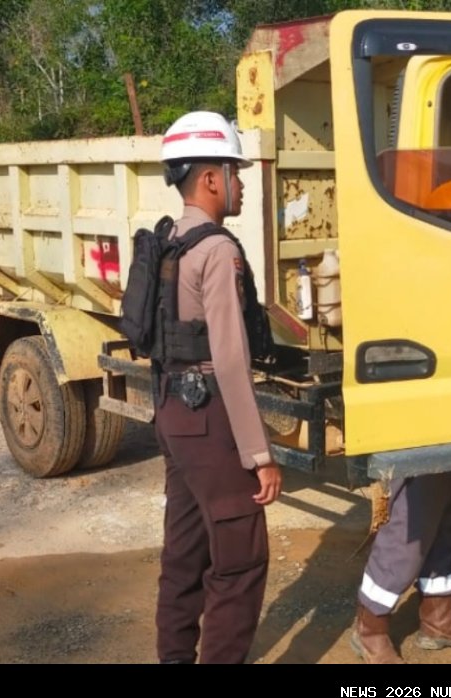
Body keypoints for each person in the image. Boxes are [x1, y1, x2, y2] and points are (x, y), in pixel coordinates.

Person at [154, 110, 282, 664]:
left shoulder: (170, 239)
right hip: (209, 419)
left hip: (172, 412)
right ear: (210, 178)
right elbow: (230, 359)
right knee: (240, 559)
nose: (242, 183)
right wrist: (260, 455)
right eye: (235, 171)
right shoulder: (218, 250)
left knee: (184, 553)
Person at [351, 470, 451, 664]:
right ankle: (370, 631)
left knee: (447, 526)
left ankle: (438, 622)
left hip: (448, 452)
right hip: (416, 455)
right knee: (408, 538)